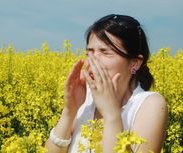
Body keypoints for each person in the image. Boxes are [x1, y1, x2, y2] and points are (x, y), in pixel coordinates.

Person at [45, 14, 168, 153]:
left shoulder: (151, 104)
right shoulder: (86, 99)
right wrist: (69, 111)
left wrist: (111, 114)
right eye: (89, 52)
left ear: (135, 62)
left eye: (105, 52)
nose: (93, 60)